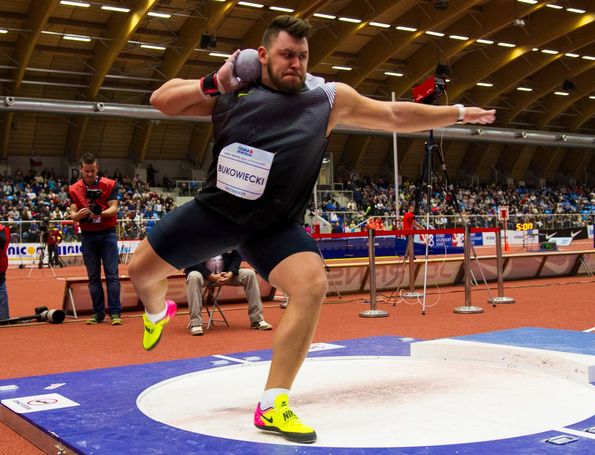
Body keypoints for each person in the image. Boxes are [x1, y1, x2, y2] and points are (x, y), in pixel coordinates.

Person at [128, 15, 495, 444]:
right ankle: (158, 312)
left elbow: (394, 113)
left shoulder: (328, 98)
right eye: (286, 55)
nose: (295, 64)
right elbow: (161, 100)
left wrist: (459, 112)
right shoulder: (234, 90)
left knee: (311, 285)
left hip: (274, 226)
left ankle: (273, 404)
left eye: (302, 56)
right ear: (262, 55)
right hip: (217, 213)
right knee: (140, 271)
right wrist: (215, 81)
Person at [69, 153, 122, 326]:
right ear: (81, 170)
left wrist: (100, 213)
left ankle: (115, 313)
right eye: (86, 171)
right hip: (88, 236)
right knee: (93, 277)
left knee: (112, 275)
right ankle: (98, 314)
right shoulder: (73, 189)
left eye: (92, 171)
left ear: (97, 168)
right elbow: (72, 214)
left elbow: (114, 208)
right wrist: (77, 215)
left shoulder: (110, 184)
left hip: (108, 234)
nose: (90, 174)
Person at [184, 249, 272, 336]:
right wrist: (210, 276)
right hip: (202, 274)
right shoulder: (196, 238)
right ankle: (196, 324)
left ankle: (257, 320)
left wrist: (230, 273)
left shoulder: (228, 237)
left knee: (250, 274)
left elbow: (236, 258)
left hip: (225, 274)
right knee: (193, 277)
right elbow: (192, 260)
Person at [0, 222, 9, 321]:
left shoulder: (3, 230)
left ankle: (3, 318)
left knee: (2, 294)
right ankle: (4, 318)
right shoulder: (3, 230)